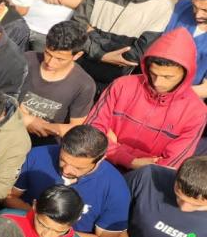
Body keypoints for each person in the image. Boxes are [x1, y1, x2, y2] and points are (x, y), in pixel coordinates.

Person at [87, 28, 207, 170]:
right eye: (153, 73)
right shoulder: (122, 85)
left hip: (146, 176)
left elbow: (170, 165)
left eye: (168, 77)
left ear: (186, 73)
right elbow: (91, 132)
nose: (157, 82)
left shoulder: (197, 112)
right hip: (100, 162)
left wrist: (114, 147)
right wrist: (129, 159)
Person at [69, 0, 172, 87]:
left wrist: (92, 34)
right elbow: (75, 28)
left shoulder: (163, 7)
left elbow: (134, 56)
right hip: (76, 68)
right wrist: (102, 55)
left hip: (112, 82)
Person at [17, 21, 96, 141]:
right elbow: (2, 96)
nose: (50, 62)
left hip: (48, 142)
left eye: (60, 59)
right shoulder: (27, 60)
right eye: (48, 53)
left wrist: (40, 126)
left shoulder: (84, 85)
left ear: (77, 55)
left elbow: (76, 127)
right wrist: (25, 118)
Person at [121, 156, 207, 237]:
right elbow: (111, 213)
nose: (184, 207)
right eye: (178, 196)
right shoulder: (149, 176)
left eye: (196, 205)